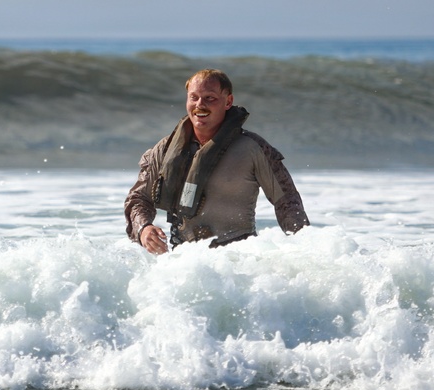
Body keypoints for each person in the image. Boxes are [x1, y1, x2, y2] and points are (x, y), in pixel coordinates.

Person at [124, 69, 308, 254]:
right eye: (194, 97)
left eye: (209, 98)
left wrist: (302, 252)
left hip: (237, 259)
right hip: (184, 259)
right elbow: (139, 198)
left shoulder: (253, 148)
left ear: (228, 101)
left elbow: (287, 201)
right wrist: (144, 228)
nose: (200, 104)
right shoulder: (164, 149)